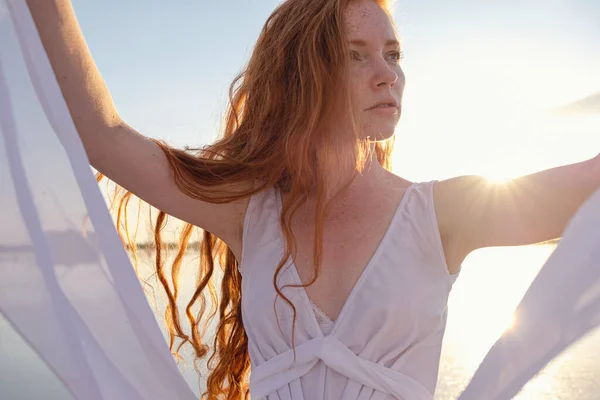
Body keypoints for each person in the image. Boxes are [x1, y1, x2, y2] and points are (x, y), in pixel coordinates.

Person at [25, 0, 600, 399]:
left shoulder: (442, 214)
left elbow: (587, 183)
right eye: (356, 54)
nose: (387, 75)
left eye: (393, 54)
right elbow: (101, 134)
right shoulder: (250, 213)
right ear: (305, 73)